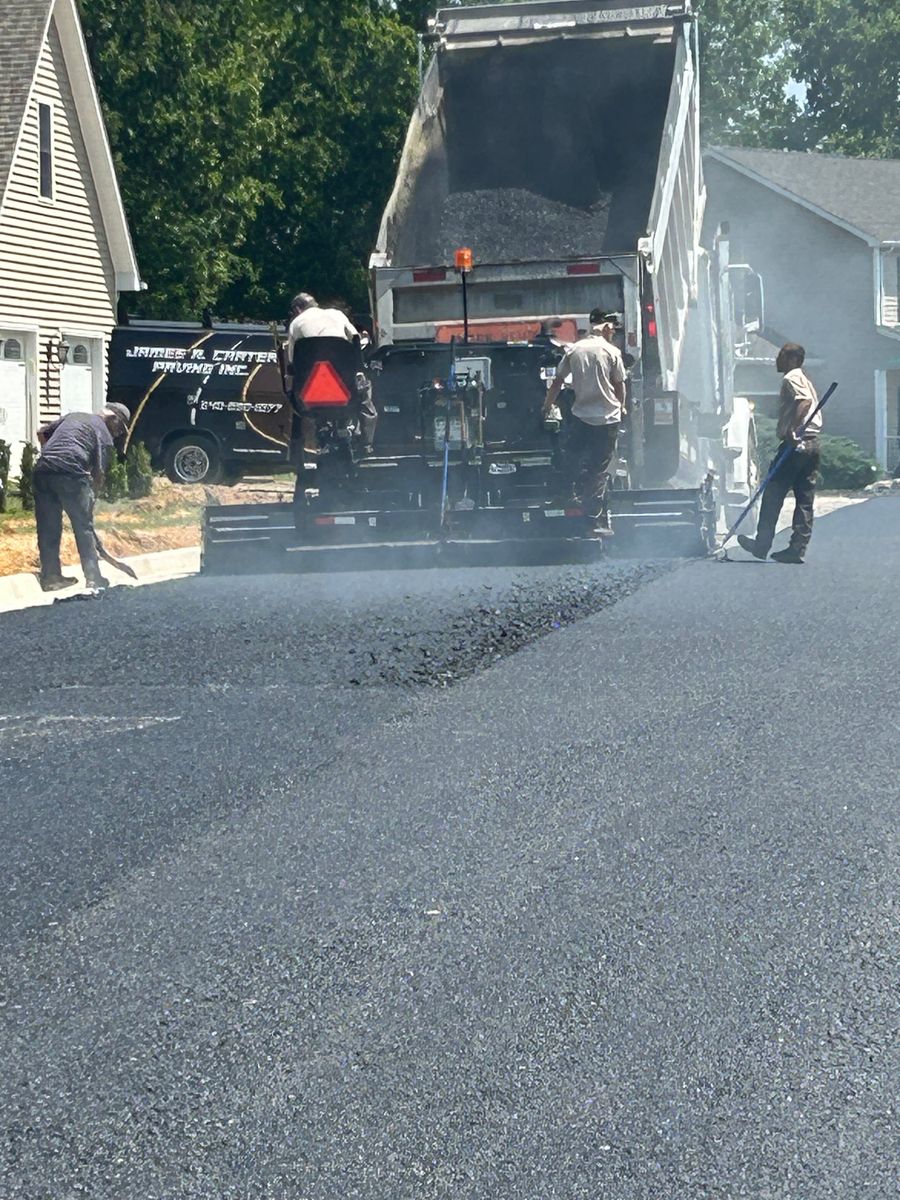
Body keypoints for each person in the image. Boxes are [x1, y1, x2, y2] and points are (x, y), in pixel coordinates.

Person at [541, 307, 626, 533]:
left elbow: (558, 381)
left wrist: (547, 405)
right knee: (599, 468)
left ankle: (567, 495)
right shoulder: (611, 352)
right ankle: (593, 515)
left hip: (581, 417)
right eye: (612, 330)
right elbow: (619, 385)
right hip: (608, 419)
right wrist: (622, 407)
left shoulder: (575, 350)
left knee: (571, 457)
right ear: (607, 328)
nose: (613, 333)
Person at [32, 403, 131, 591]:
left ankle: (51, 578)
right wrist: (91, 500)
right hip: (71, 474)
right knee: (83, 528)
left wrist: (50, 455)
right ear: (113, 419)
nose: (118, 433)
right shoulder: (103, 433)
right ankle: (93, 578)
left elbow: (41, 432)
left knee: (48, 527)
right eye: (120, 428)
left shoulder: (74, 416)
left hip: (43, 471)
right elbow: (99, 473)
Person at [738, 342, 821, 564]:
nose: (777, 360)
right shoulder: (804, 377)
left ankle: (761, 544)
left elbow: (803, 402)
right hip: (812, 444)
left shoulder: (792, 377)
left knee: (773, 493)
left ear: (793, 360)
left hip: (795, 445)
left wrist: (792, 430)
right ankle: (797, 548)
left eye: (781, 356)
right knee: (805, 498)